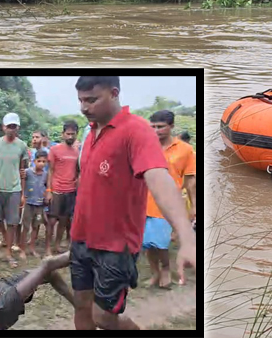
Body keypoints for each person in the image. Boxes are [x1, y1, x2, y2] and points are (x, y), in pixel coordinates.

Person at [71, 76, 197, 330]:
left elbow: (159, 178)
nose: (84, 107)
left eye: (92, 99)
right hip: (81, 237)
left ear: (114, 93)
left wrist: (187, 236)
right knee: (82, 306)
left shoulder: (136, 130)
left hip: (116, 244)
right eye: (81, 100)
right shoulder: (91, 132)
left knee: (104, 317)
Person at [145, 111, 197, 288]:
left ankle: (165, 271)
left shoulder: (185, 150)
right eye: (153, 127)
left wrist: (193, 207)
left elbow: (190, 181)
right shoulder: (145, 147)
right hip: (144, 202)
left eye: (160, 127)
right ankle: (154, 272)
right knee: (148, 244)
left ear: (171, 126)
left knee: (161, 243)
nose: (156, 131)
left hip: (169, 204)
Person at [0, 112, 29, 268]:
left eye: (14, 126)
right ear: (3, 127)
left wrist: (23, 194)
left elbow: (23, 171)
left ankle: (8, 254)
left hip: (14, 189)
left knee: (12, 224)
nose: (11, 129)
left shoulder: (22, 146)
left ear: (17, 127)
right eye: (9, 126)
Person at [46, 120, 80, 257]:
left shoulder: (77, 152)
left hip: (70, 190)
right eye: (68, 134)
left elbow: (78, 171)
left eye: (73, 134)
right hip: (56, 190)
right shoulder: (54, 150)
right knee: (52, 220)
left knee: (65, 220)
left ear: (77, 134)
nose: (70, 137)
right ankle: (48, 248)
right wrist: (49, 190)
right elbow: (50, 171)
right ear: (63, 134)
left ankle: (57, 245)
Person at [22, 150, 48, 257]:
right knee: (26, 227)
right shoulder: (27, 172)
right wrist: (23, 195)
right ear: (34, 161)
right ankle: (22, 249)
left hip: (39, 205)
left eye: (43, 161)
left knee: (36, 227)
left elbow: (46, 187)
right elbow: (22, 183)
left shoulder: (46, 174)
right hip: (29, 203)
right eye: (39, 161)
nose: (41, 163)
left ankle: (32, 248)